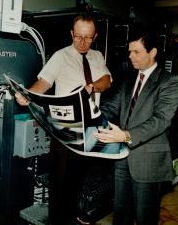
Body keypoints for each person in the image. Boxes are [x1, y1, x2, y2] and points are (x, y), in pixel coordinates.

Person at [15, 14, 112, 225]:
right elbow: (44, 82)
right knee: (60, 180)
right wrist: (28, 95)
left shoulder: (97, 56)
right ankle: (58, 220)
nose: (82, 42)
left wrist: (92, 87)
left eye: (87, 37)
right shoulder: (61, 56)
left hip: (90, 127)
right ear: (71, 34)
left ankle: (75, 214)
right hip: (65, 128)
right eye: (78, 36)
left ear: (94, 36)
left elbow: (107, 80)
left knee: (81, 176)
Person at [93, 24, 178, 225]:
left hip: (148, 161)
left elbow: (161, 120)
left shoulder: (170, 82)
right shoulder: (128, 79)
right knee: (121, 214)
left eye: (136, 52)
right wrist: (88, 116)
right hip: (122, 157)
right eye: (129, 52)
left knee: (145, 217)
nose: (131, 56)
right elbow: (111, 107)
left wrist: (125, 135)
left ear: (153, 52)